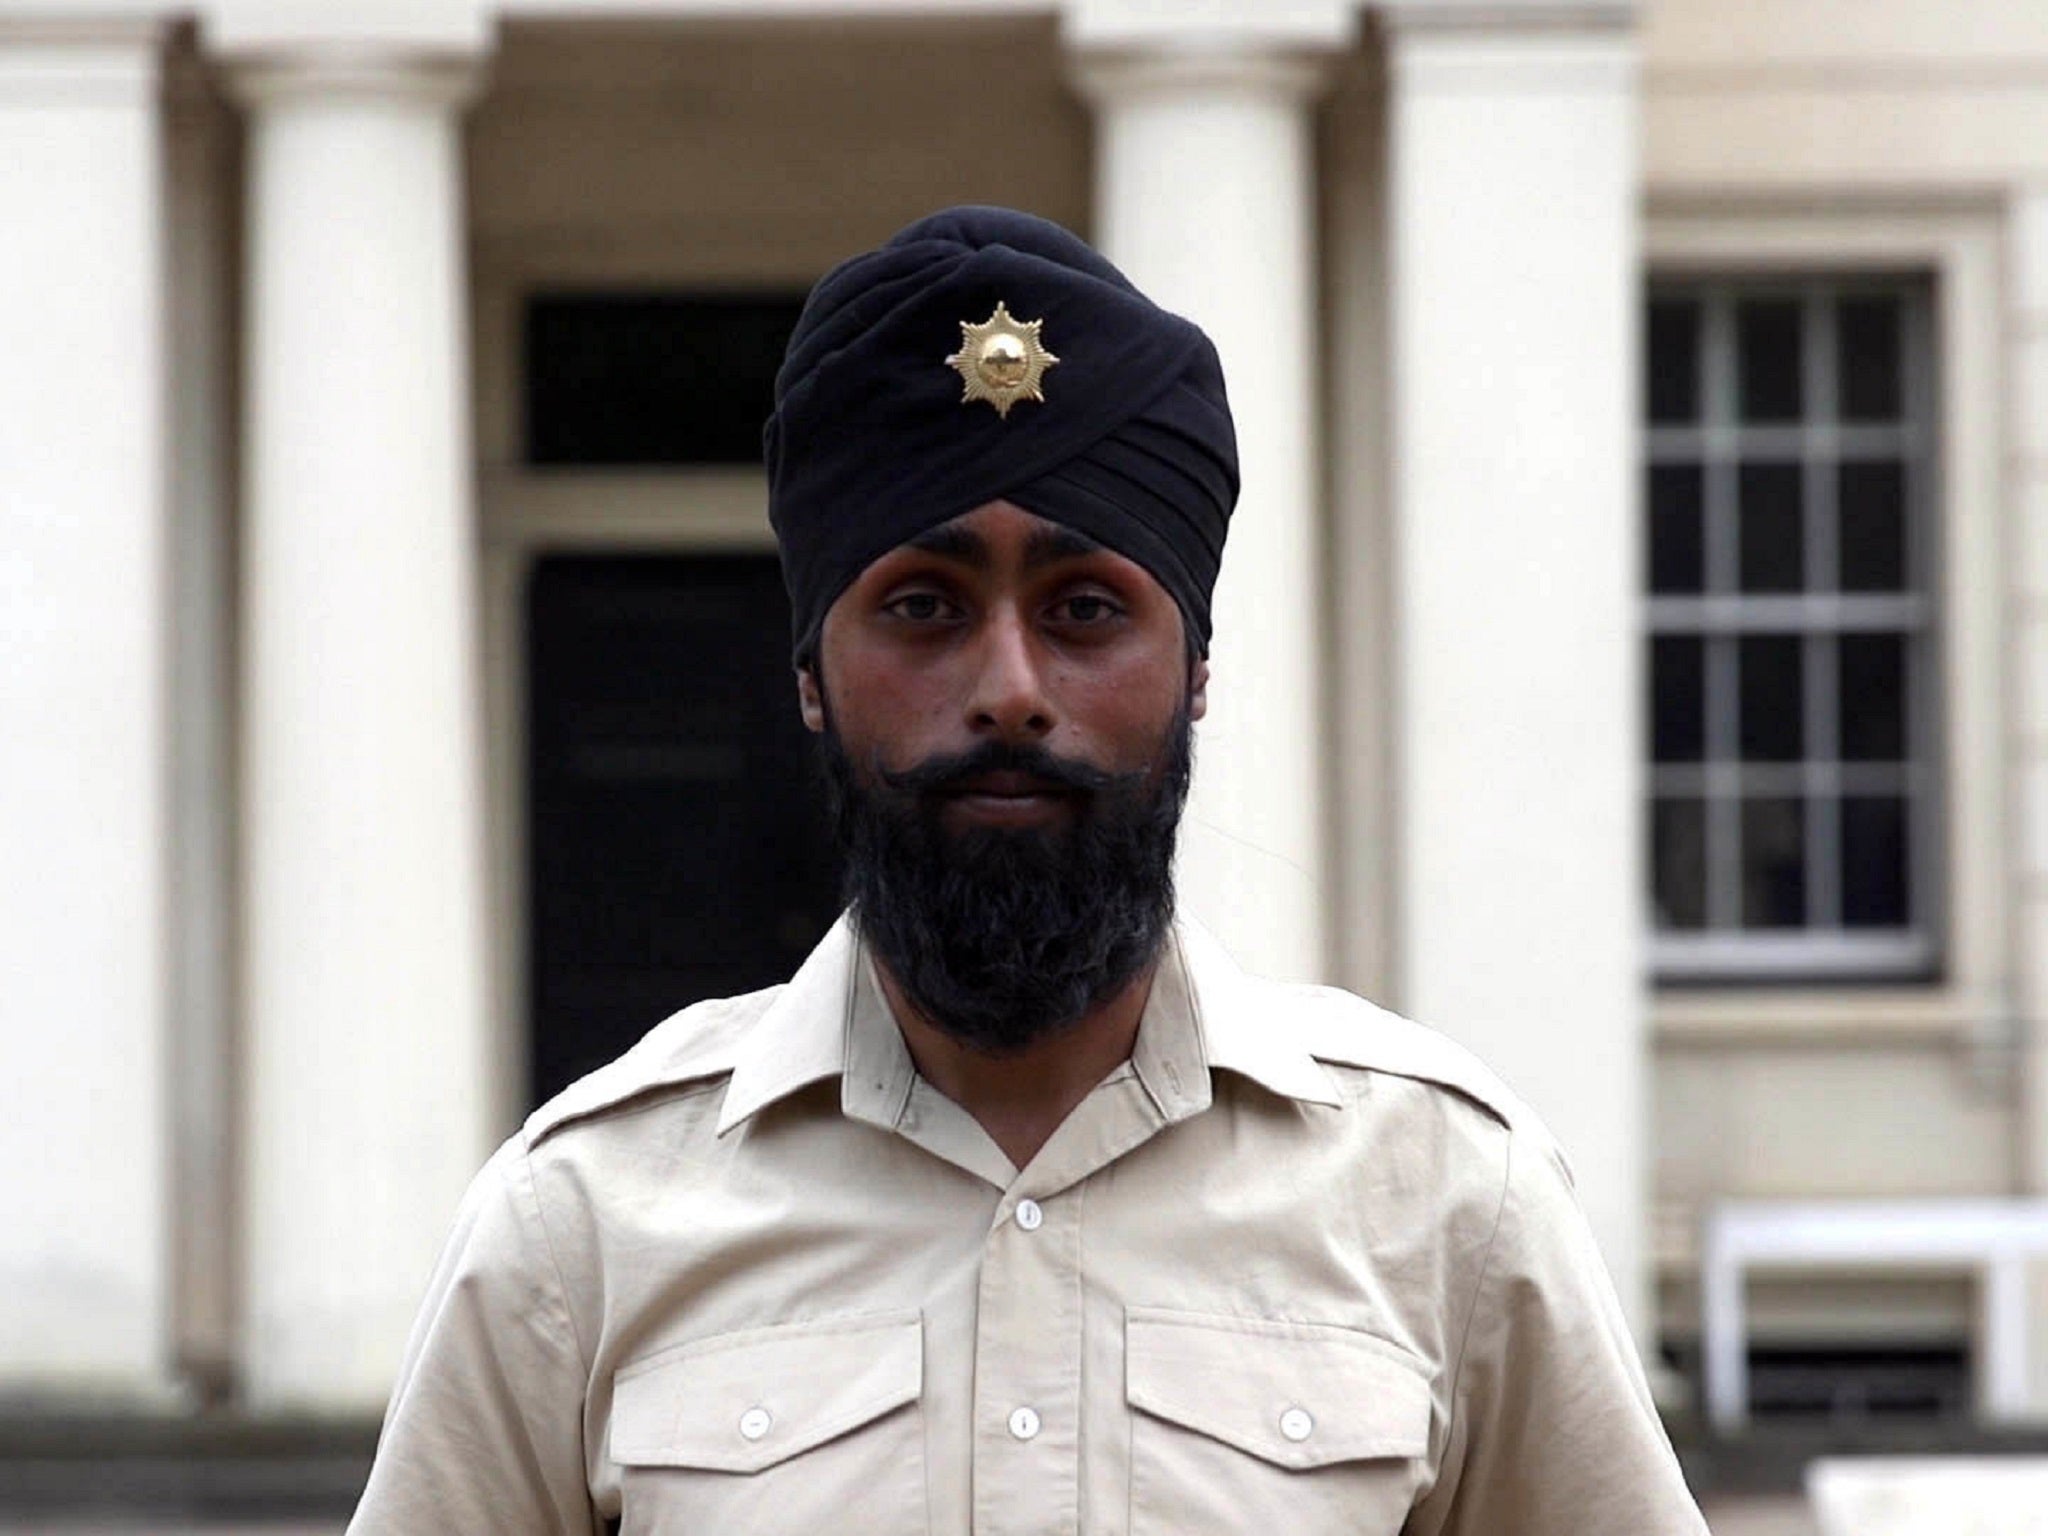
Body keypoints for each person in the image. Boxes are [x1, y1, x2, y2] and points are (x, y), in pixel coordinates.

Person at [347, 206, 1709, 1535]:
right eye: (926, 606)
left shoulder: (1448, 1203)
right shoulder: (578, 1226)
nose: (1008, 689)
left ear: (1197, 678)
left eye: (1086, 610)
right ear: (812, 678)